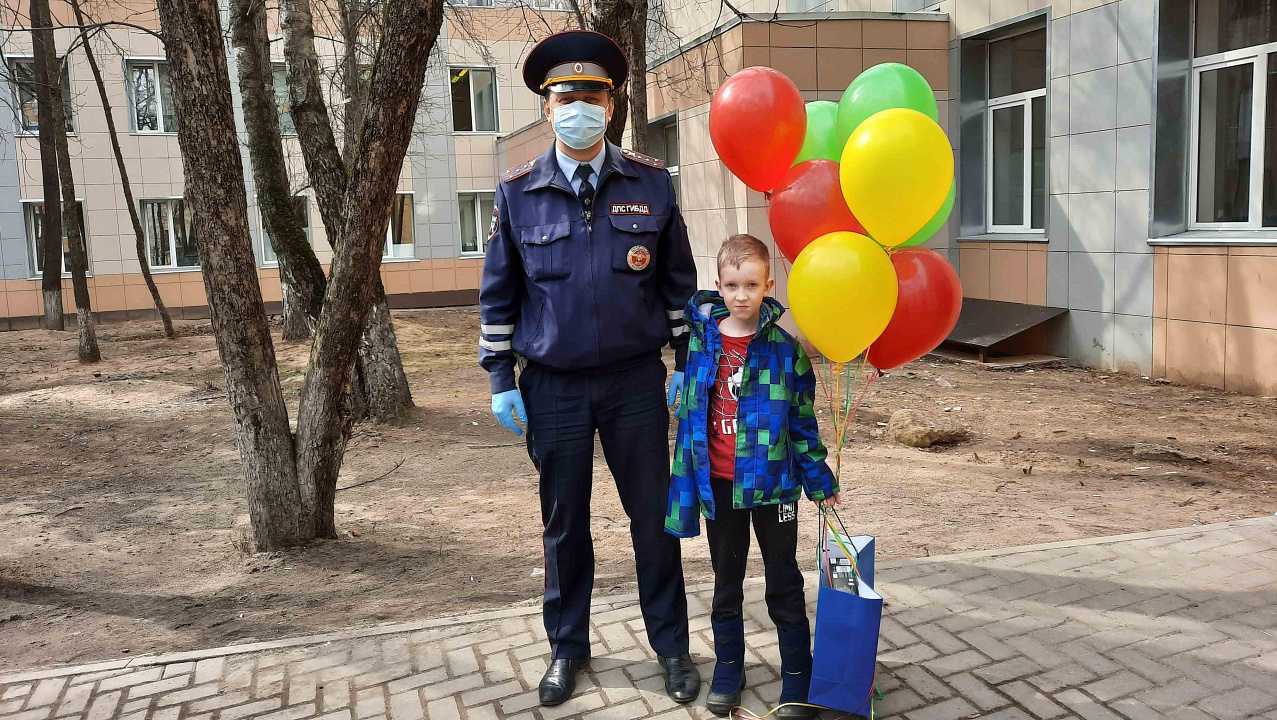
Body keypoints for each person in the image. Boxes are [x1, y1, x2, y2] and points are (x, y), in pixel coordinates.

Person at [478, 30, 700, 708]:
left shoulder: (651, 183)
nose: (579, 108)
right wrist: (500, 380)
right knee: (564, 525)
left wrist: (687, 365)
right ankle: (566, 647)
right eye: (565, 98)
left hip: (635, 383)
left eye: (592, 98)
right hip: (553, 388)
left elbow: (678, 285)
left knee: (654, 520)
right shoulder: (518, 192)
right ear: (547, 109)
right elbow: (498, 295)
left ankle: (671, 646)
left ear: (611, 106)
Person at [664, 234, 839, 719]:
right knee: (726, 581)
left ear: (768, 285)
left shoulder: (785, 351)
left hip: (774, 488)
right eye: (732, 285)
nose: (741, 295)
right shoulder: (702, 344)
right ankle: (728, 666)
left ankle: (798, 673)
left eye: (751, 285)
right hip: (720, 486)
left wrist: (819, 480)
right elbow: (689, 420)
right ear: (718, 285)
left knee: (784, 581)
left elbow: (802, 423)